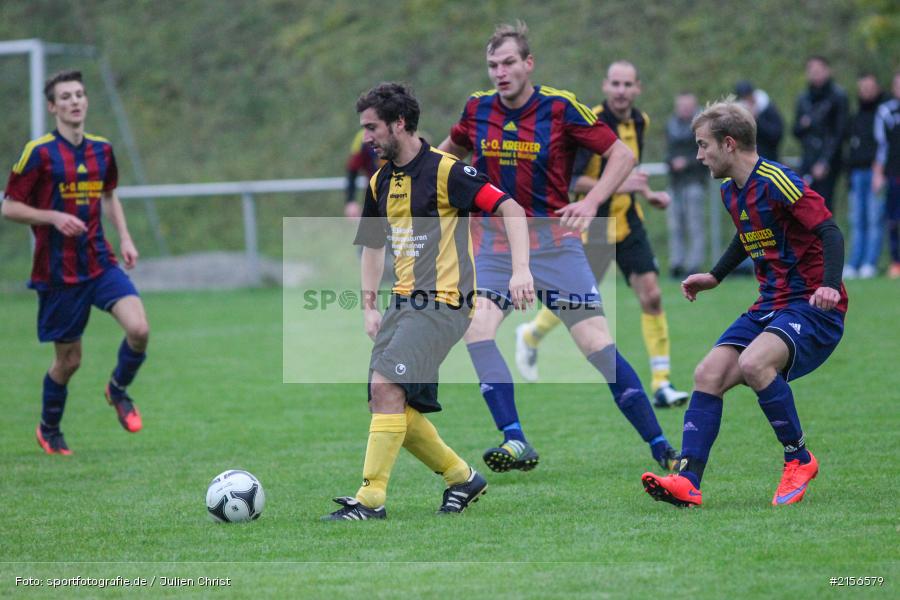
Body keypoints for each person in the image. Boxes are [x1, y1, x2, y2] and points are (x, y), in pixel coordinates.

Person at [439, 22, 679, 475]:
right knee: (478, 329)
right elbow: (445, 154)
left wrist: (590, 200)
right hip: (493, 245)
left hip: (553, 244)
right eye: (493, 65)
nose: (500, 72)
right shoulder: (478, 108)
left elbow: (622, 157)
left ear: (528, 63)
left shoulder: (561, 107)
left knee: (597, 346)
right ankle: (514, 440)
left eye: (509, 62)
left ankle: (661, 444)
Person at [323, 82, 535, 520]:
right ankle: (462, 478)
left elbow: (511, 210)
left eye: (372, 127)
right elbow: (372, 246)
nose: (366, 138)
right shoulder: (380, 180)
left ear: (399, 124)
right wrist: (368, 305)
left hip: (444, 303)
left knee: (386, 388)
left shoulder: (447, 171)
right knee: (388, 402)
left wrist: (520, 270)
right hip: (403, 305)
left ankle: (370, 500)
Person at [641, 100, 848, 508]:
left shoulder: (777, 180)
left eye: (703, 146)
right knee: (707, 374)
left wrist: (829, 286)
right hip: (770, 303)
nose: (699, 155)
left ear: (729, 144)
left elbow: (830, 232)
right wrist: (715, 275)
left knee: (755, 363)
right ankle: (688, 481)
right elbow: (746, 234)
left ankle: (799, 459)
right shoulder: (730, 192)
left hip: (811, 304)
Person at [515, 61, 690, 409]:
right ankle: (531, 334)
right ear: (605, 87)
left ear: (638, 87)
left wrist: (646, 194)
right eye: (616, 84)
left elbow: (626, 168)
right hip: (591, 224)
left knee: (652, 296)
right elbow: (572, 180)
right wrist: (623, 186)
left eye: (628, 84)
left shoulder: (640, 121)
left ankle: (661, 383)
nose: (622, 90)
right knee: (578, 304)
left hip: (628, 221)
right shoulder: (586, 121)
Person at [2, 70, 148, 455]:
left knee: (140, 329)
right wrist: (52, 217)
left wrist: (127, 237)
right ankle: (49, 428)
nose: (74, 101)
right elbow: (10, 207)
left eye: (79, 95)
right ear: (53, 107)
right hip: (57, 274)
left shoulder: (102, 149)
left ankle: (117, 389)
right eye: (65, 97)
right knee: (69, 362)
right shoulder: (39, 153)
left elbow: (110, 195)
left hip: (100, 262)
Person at [793, 56, 849, 212]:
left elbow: (839, 132)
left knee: (824, 207)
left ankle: (826, 237)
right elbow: (796, 130)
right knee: (803, 205)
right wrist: (804, 125)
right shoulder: (804, 98)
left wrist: (825, 161)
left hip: (828, 161)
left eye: (818, 70)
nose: (815, 74)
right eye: (811, 71)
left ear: (827, 71)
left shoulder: (838, 96)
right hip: (808, 158)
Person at [845, 73, 886, 279]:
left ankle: (870, 262)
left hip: (875, 172)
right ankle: (855, 262)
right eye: (863, 87)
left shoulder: (883, 113)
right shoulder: (856, 116)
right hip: (857, 173)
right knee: (857, 220)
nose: (867, 91)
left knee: (873, 219)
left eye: (870, 87)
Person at [665, 92, 708, 279]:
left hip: (694, 182)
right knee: (675, 226)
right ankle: (677, 263)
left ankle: (694, 264)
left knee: (694, 225)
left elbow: (706, 154)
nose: (684, 110)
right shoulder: (671, 126)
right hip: (675, 184)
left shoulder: (703, 127)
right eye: (681, 106)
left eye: (687, 106)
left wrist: (687, 162)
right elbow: (667, 153)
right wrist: (672, 162)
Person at [873, 71, 900, 278]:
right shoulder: (886, 112)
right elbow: (882, 146)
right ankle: (895, 261)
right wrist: (878, 173)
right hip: (894, 174)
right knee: (893, 219)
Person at [735, 80, 784, 161]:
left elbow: (776, 135)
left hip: (768, 157)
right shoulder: (738, 114)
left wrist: (757, 120)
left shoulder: (768, 108)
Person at [343, 129, 383, 218]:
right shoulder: (363, 138)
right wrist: (351, 201)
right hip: (375, 199)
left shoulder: (405, 134)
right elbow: (352, 170)